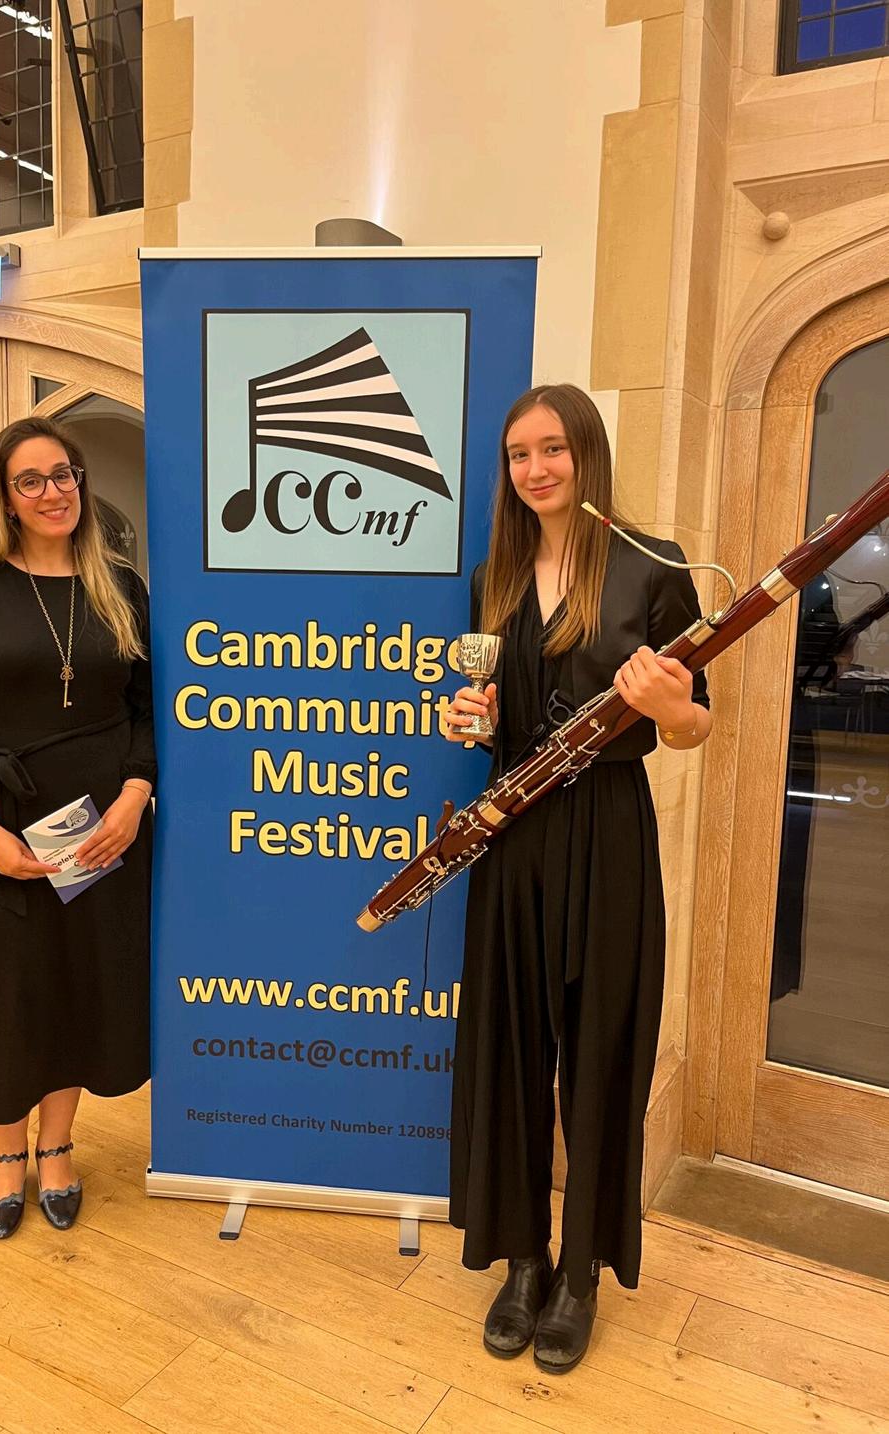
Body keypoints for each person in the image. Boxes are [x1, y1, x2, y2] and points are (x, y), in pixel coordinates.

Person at [443, 384, 711, 1370]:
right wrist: (466, 719)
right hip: (513, 835)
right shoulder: (493, 577)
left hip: (606, 830)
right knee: (511, 1048)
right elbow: (480, 701)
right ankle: (523, 1259)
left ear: (585, 454)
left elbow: (696, 724)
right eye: (518, 454)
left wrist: (669, 707)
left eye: (551, 448)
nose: (535, 469)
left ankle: (581, 1273)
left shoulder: (654, 568)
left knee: (598, 1053)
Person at [0, 415, 156, 1239]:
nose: (54, 492)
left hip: (97, 827)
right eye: (32, 480)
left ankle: (58, 1147)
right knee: (3, 991)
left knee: (74, 984)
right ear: (5, 497)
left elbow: (148, 708)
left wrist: (133, 799)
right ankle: (5, 1153)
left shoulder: (120, 585)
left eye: (64, 474)